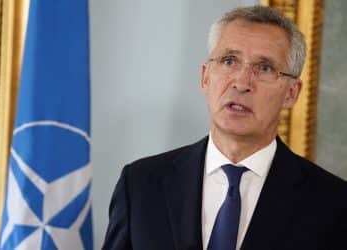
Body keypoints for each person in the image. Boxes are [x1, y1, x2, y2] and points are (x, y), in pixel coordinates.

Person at [102, 5, 347, 250]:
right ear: (205, 77)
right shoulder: (140, 185)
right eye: (229, 61)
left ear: (291, 94)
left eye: (264, 68)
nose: (241, 83)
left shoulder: (333, 204)